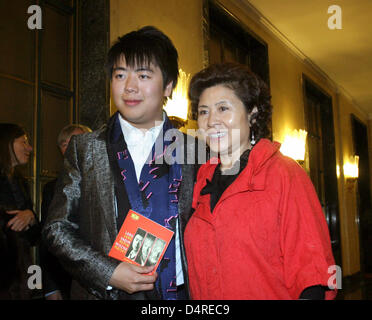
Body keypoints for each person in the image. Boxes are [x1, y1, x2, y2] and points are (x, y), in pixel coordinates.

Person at [42, 26, 199, 300]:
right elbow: (57, 228)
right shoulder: (85, 148)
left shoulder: (196, 150)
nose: (129, 86)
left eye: (143, 75)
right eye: (119, 74)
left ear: (169, 85)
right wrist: (107, 272)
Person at [184, 62, 337, 300]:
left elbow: (312, 275)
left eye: (223, 108)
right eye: (203, 111)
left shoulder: (283, 173)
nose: (211, 120)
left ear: (252, 113)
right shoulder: (199, 182)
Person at [39, 124, 91, 300]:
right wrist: (50, 288)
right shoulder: (51, 189)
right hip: (64, 281)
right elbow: (47, 241)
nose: (70, 148)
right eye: (64, 144)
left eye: (76, 142)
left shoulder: (112, 182)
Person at [0, 123, 40, 299]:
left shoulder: (21, 183)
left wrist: (30, 217)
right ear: (6, 143)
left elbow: (35, 237)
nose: (30, 148)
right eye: (23, 142)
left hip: (23, 275)